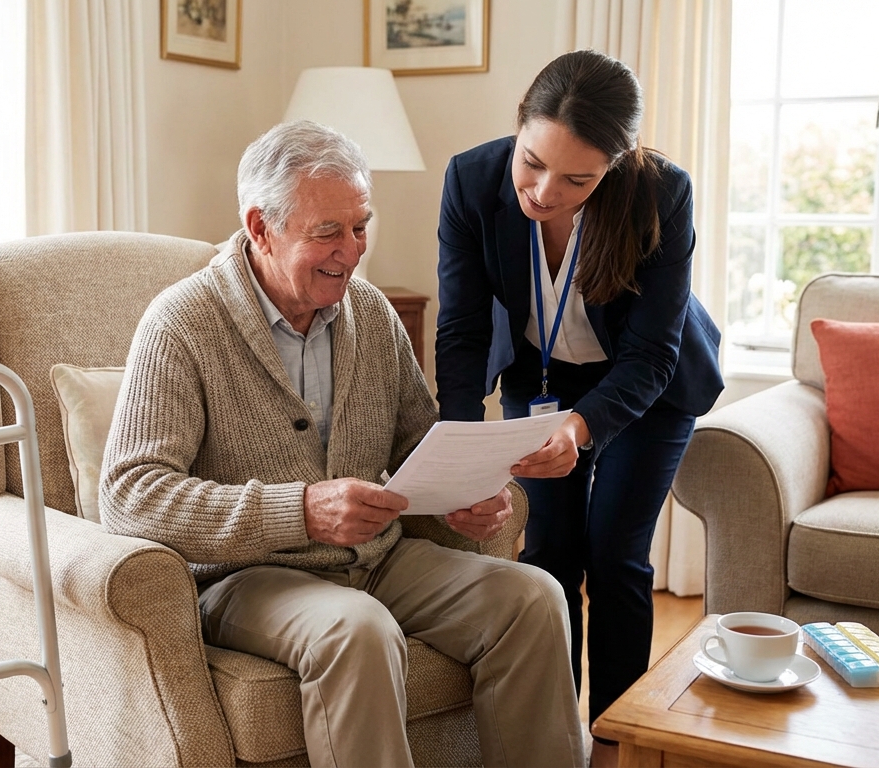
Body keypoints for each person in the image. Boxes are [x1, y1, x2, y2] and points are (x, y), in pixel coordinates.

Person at [100, 119, 585, 768]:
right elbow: (130, 496)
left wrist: (468, 497)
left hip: (379, 559)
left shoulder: (372, 313)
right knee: (357, 630)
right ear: (260, 227)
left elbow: (421, 441)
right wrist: (299, 510)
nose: (351, 251)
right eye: (327, 231)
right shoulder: (181, 323)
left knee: (533, 598)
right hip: (247, 576)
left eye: (360, 226)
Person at [435, 49, 725, 762]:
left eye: (576, 179)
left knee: (615, 555)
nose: (542, 190)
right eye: (532, 161)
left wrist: (583, 424)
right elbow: (463, 331)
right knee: (549, 554)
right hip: (541, 380)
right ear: (519, 127)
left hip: (645, 389)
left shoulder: (662, 195)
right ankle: (555, 735)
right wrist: (462, 455)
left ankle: (613, 742)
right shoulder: (472, 179)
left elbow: (652, 352)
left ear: (615, 166)